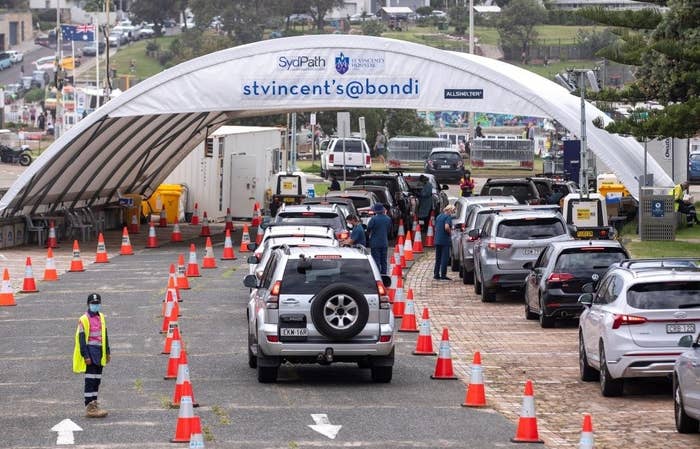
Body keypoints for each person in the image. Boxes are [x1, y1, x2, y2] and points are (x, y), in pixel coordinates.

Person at [73, 293, 111, 418]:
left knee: (97, 380)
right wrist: (86, 356)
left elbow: (104, 336)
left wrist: (107, 352)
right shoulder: (83, 319)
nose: (96, 305)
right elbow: (82, 339)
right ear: (88, 304)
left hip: (100, 353)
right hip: (90, 352)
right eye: (93, 304)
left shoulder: (101, 317)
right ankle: (89, 406)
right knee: (90, 380)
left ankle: (94, 403)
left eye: (97, 303)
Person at [367, 203, 392, 274]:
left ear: (375, 211)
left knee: (376, 259)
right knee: (384, 260)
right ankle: (384, 273)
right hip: (384, 242)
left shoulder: (373, 219)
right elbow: (389, 230)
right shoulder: (388, 219)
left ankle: (377, 274)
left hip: (375, 242)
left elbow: (369, 228)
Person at [433, 204, 455, 280]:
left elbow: (436, 227)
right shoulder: (448, 217)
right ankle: (443, 275)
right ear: (449, 210)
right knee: (444, 258)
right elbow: (446, 227)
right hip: (445, 240)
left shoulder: (439, 216)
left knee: (438, 258)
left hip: (437, 239)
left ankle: (436, 274)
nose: (452, 213)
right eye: (452, 211)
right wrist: (450, 232)